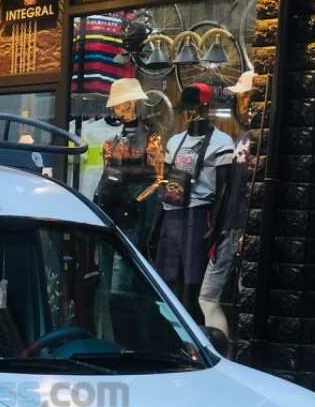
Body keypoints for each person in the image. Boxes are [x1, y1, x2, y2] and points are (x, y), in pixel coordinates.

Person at [152, 83, 235, 320]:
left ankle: (194, 338)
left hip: (199, 215)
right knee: (168, 280)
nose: (189, 113)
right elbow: (166, 183)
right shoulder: (174, 141)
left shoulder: (222, 142)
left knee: (193, 281)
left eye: (194, 108)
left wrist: (215, 230)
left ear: (206, 107)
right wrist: (158, 224)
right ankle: (171, 334)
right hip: (172, 214)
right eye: (186, 109)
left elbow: (224, 190)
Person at [199, 70, 254, 338]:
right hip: (231, 224)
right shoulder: (244, 136)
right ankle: (222, 354)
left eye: (244, 97)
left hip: (241, 226)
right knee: (208, 296)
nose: (240, 103)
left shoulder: (252, 138)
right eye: (239, 98)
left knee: (239, 296)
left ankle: (229, 356)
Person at [91, 78, 164, 253]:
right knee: (106, 265)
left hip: (133, 214)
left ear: (130, 104)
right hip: (110, 209)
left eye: (118, 105)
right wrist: (98, 197)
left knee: (121, 269)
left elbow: (158, 179)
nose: (115, 112)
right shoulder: (111, 142)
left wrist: (135, 200)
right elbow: (106, 175)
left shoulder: (151, 139)